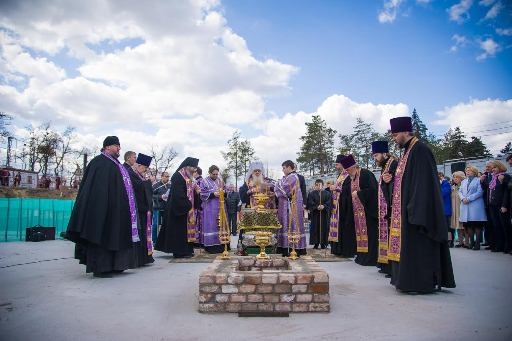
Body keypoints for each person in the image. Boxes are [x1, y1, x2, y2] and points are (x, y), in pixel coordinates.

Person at [388, 116, 455, 293]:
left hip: (417, 210)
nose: (394, 139)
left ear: (405, 132)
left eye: (395, 135)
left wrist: (413, 208)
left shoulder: (420, 150)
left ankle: (420, 282)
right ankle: (406, 280)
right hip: (405, 209)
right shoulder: (407, 151)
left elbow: (424, 184)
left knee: (419, 246)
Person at [66, 136, 138, 277]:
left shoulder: (116, 164)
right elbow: (96, 190)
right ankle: (101, 267)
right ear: (107, 147)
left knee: (115, 236)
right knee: (102, 236)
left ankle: (116, 265)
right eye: (117, 145)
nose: (119, 148)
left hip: (116, 211)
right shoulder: (99, 163)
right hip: (101, 210)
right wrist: (104, 206)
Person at [155, 157, 199, 258]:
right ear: (188, 167)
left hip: (186, 208)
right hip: (178, 208)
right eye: (193, 168)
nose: (194, 170)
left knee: (185, 231)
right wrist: (188, 204)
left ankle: (187, 250)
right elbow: (178, 194)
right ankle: (179, 251)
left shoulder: (188, 177)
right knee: (179, 231)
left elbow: (190, 191)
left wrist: (196, 194)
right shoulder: (178, 176)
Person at [340, 154, 379, 266]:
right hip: (358, 213)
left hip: (368, 212)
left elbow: (373, 191)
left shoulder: (366, 174)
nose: (347, 172)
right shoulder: (353, 178)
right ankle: (362, 256)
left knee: (370, 236)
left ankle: (370, 258)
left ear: (354, 167)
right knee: (360, 236)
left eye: (348, 170)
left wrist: (358, 193)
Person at [372, 140, 398, 276]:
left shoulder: (394, 163)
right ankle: (385, 265)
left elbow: (396, 183)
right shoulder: (385, 165)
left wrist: (391, 180)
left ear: (384, 153)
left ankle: (392, 268)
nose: (375, 159)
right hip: (385, 207)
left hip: (391, 207)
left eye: (376, 155)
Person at [274, 160, 307, 257]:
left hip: (292, 207)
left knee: (292, 225)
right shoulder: (288, 177)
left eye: (284, 168)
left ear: (289, 167)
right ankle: (285, 247)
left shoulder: (293, 177)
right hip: (286, 206)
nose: (283, 170)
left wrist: (276, 184)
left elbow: (283, 188)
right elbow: (280, 184)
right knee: (286, 225)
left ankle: (293, 248)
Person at [129, 153, 155, 265]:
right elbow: (140, 188)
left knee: (145, 234)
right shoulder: (133, 174)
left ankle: (146, 257)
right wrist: (149, 182)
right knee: (140, 234)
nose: (145, 171)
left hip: (145, 210)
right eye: (144, 168)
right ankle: (140, 258)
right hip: (139, 209)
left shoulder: (141, 176)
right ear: (139, 166)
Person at [328, 154, 354, 257]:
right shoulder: (340, 175)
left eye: (337, 164)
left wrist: (337, 188)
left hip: (344, 206)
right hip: (337, 206)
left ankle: (344, 251)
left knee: (344, 228)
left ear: (343, 164)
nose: (336, 167)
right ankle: (337, 250)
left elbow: (349, 189)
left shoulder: (348, 175)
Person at [199, 165, 226, 254]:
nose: (215, 176)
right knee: (210, 225)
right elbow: (201, 194)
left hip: (219, 207)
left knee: (219, 225)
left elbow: (225, 191)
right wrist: (213, 194)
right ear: (210, 173)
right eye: (213, 174)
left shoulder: (220, 181)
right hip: (209, 208)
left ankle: (221, 244)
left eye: (217, 174)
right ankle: (210, 246)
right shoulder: (204, 181)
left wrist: (223, 193)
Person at [458, 165, 487, 251]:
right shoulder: (464, 182)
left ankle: (477, 244)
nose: (467, 172)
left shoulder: (478, 181)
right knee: (468, 225)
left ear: (474, 172)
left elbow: (480, 192)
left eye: (469, 170)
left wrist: (469, 198)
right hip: (465, 205)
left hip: (475, 205)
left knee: (477, 225)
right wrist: (463, 198)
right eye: (466, 170)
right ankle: (472, 242)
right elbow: (460, 191)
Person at [487, 160, 511, 253]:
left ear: (500, 167)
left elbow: (506, 192)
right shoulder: (493, 178)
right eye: (492, 168)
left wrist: (504, 205)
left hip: (501, 205)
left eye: (495, 167)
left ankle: (508, 246)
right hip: (492, 205)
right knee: (496, 226)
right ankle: (499, 245)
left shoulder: (505, 176)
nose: (493, 169)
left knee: (505, 226)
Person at [307, 179, 331, 249]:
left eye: (320, 185)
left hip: (324, 215)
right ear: (315, 185)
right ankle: (316, 243)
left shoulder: (327, 193)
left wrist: (324, 206)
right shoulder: (311, 193)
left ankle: (323, 243)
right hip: (315, 214)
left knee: (324, 228)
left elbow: (329, 202)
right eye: (316, 185)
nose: (318, 186)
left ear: (323, 185)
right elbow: (310, 202)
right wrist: (316, 206)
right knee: (315, 228)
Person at [152, 171, 171, 243]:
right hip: (158, 207)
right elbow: (151, 195)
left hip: (167, 207)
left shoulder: (170, 185)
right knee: (156, 224)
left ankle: (164, 240)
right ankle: (154, 240)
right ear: (162, 177)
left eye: (168, 176)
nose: (167, 178)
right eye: (166, 176)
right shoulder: (156, 185)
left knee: (166, 224)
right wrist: (161, 197)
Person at [451, 171, 467, 248]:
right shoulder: (453, 187)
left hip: (462, 208)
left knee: (464, 226)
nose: (455, 179)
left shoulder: (464, 185)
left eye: (457, 177)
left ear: (461, 178)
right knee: (458, 226)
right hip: (455, 209)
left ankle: (467, 242)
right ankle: (460, 242)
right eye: (454, 177)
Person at [438, 172, 453, 247]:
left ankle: (450, 241)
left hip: (446, 208)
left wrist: (439, 186)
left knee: (448, 226)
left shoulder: (446, 183)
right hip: (441, 209)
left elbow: (443, 193)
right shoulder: (440, 184)